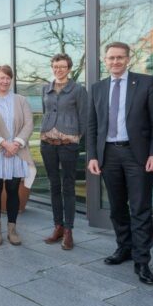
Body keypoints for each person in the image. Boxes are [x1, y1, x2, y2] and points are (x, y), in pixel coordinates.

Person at [88, 41, 153, 285]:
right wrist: (92, 155)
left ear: (128, 59)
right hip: (108, 155)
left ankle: (142, 261)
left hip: (137, 155)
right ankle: (124, 248)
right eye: (111, 58)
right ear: (105, 60)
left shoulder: (146, 83)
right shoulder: (97, 88)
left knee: (140, 208)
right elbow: (92, 126)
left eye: (120, 57)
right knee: (117, 207)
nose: (115, 62)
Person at [0, 65, 36, 246]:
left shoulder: (21, 100)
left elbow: (29, 124)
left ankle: (12, 229)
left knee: (13, 191)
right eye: (1, 78)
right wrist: (4, 144)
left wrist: (16, 143)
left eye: (8, 78)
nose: (4, 81)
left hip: (16, 153)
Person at [40, 54, 88, 250]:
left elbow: (84, 118)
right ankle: (57, 226)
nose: (58, 69)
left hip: (69, 143)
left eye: (62, 66)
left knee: (67, 186)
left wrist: (75, 136)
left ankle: (68, 230)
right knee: (53, 185)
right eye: (55, 66)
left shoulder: (78, 90)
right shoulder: (45, 88)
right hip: (47, 142)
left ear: (69, 68)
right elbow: (45, 111)